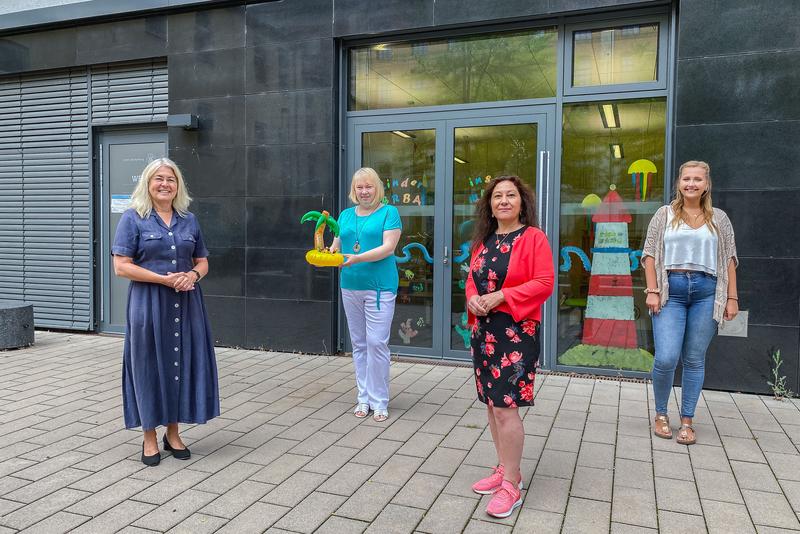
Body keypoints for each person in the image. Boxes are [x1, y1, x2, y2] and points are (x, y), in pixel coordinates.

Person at [112, 158, 219, 466]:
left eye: (170, 180)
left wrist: (193, 276)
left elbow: (202, 261)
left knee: (180, 364)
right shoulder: (133, 219)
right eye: (158, 178)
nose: (164, 184)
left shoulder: (189, 220)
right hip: (148, 303)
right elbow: (121, 267)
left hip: (187, 303)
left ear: (178, 186)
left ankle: (173, 433)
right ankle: (148, 436)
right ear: (148, 183)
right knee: (147, 366)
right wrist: (163, 279)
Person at [466, 175, 554, 518]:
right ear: (490, 204)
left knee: (506, 408)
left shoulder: (533, 238)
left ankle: (513, 484)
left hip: (516, 333)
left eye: (511, 195)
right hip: (484, 332)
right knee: (491, 404)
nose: (504, 200)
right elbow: (472, 281)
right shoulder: (483, 241)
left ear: (522, 202)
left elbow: (544, 282)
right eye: (497, 196)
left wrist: (502, 295)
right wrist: (474, 300)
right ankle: (503, 467)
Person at [642, 160, 738, 445]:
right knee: (666, 357)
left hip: (707, 291)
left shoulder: (719, 218)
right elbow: (649, 255)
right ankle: (661, 414)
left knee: (695, 359)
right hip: (671, 290)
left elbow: (730, 260)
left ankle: (687, 420)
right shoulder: (664, 214)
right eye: (687, 179)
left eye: (697, 179)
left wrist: (732, 298)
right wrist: (652, 290)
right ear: (679, 183)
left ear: (706, 184)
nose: (691, 184)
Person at [331, 167, 402, 422]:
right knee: (359, 344)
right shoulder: (345, 215)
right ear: (353, 190)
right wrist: (329, 254)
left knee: (377, 343)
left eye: (369, 186)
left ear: (378, 188)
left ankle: (379, 400)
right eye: (359, 187)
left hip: (379, 287)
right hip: (350, 284)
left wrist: (357, 257)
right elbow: (337, 245)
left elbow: (388, 247)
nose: (364, 191)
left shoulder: (389, 213)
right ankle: (363, 398)